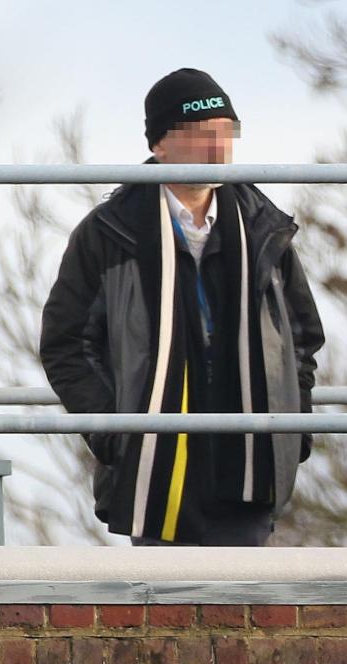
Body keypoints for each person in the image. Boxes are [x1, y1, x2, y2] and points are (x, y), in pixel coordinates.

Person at [39, 68, 325, 546]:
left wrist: (291, 434)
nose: (216, 149)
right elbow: (65, 346)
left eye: (223, 134)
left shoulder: (264, 228)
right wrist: (117, 434)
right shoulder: (109, 233)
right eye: (198, 135)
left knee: (244, 615)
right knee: (166, 613)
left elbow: (301, 339)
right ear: (159, 145)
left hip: (248, 471)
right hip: (155, 473)